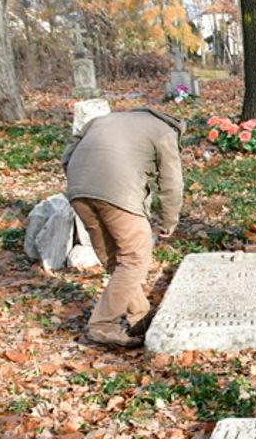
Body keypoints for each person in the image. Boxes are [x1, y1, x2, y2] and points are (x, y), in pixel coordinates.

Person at [62, 104, 185, 348]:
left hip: (78, 189)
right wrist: (169, 220)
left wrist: (84, 183)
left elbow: (67, 156)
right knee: (134, 257)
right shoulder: (165, 131)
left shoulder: (105, 120)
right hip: (118, 191)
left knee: (114, 257)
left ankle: (140, 315)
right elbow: (172, 182)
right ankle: (102, 326)